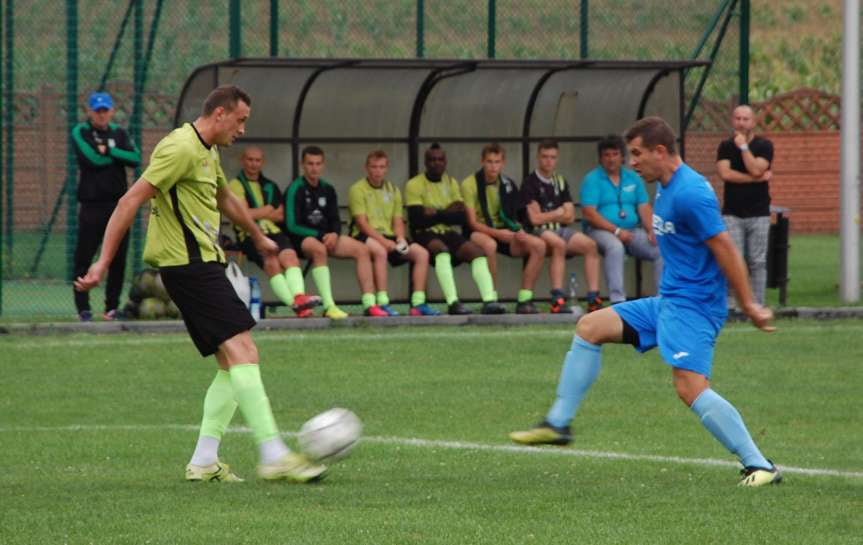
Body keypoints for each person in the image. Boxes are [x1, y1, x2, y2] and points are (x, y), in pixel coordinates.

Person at [510, 117, 781, 487]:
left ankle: (758, 464)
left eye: (636, 154)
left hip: (694, 308)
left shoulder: (691, 193)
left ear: (660, 151)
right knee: (589, 327)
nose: (631, 162)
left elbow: (726, 250)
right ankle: (558, 423)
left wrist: (749, 304)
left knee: (689, 387)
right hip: (668, 302)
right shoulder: (664, 188)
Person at [75, 85, 326, 483]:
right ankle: (273, 453)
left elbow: (225, 197)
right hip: (189, 267)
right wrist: (103, 262)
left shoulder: (207, 150)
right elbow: (129, 200)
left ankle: (205, 460)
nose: (243, 130)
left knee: (231, 361)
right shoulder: (180, 148)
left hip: (203, 263)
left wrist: (258, 236)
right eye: (241, 120)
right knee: (244, 350)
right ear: (220, 113)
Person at [404, 143, 506, 315]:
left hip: (448, 232)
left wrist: (433, 212)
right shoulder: (414, 184)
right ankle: (453, 302)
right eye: (432, 159)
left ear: (446, 162)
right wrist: (446, 211)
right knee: (442, 251)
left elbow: (460, 217)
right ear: (425, 162)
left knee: (478, 253)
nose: (436, 163)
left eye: (440, 159)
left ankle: (489, 300)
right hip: (423, 234)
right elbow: (417, 219)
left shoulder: (451, 183)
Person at [283, 146, 382, 318]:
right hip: (302, 239)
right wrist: (321, 236)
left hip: (328, 237)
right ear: (302, 165)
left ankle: (369, 304)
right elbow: (292, 225)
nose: (314, 168)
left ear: (323, 165)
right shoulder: (295, 188)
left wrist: (335, 234)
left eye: (318, 164)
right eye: (310, 164)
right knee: (319, 249)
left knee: (362, 250)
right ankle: (329, 306)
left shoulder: (328, 189)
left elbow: (335, 219)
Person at [71, 91, 141, 321]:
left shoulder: (119, 133)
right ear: (89, 111)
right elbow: (92, 158)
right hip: (92, 207)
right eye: (97, 110)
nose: (101, 115)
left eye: (105, 110)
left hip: (118, 206)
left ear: (111, 111)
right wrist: (115, 156)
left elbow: (135, 158)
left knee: (117, 259)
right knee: (84, 256)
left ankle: (111, 307)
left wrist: (110, 151)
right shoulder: (81, 132)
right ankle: (83, 309)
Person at [228, 146, 320, 317]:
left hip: (274, 231)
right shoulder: (235, 184)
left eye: (257, 160)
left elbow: (280, 215)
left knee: (290, 257)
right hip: (249, 234)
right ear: (242, 161)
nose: (254, 164)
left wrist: (255, 212)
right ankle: (296, 306)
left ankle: (299, 299)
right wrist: (267, 210)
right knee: (272, 262)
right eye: (250, 160)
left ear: (263, 163)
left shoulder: (270, 185)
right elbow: (242, 215)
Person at [348, 150, 441, 316]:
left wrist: (400, 238)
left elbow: (398, 220)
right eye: (374, 167)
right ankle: (382, 303)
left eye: (381, 167)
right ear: (366, 168)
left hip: (389, 236)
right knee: (380, 251)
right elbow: (362, 224)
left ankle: (418, 304)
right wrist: (384, 242)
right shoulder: (357, 189)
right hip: (364, 235)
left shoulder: (393, 190)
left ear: (386, 169)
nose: (377, 171)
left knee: (421, 253)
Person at [461, 143, 545, 314]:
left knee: (539, 246)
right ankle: (491, 299)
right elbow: (472, 223)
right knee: (490, 245)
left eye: (497, 162)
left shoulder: (507, 183)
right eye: (489, 162)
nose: (493, 166)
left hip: (504, 232)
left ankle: (525, 299)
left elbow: (516, 215)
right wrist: (500, 234)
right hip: (477, 232)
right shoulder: (469, 184)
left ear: (503, 163)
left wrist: (519, 230)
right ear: (482, 162)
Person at [580, 134, 663, 304]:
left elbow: (643, 206)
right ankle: (618, 301)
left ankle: (664, 299)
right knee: (615, 246)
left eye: (615, 154)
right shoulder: (592, 179)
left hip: (631, 230)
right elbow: (589, 213)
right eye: (607, 155)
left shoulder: (633, 177)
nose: (611, 159)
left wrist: (651, 229)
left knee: (661, 248)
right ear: (600, 158)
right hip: (600, 231)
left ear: (622, 157)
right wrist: (616, 231)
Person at [522, 140, 603, 313]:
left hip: (560, 228)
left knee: (590, 246)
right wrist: (558, 213)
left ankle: (593, 298)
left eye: (552, 157)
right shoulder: (530, 182)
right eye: (545, 157)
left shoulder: (560, 181)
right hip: (538, 231)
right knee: (558, 244)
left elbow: (570, 215)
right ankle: (557, 298)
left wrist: (553, 215)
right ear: (538, 157)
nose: (548, 161)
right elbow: (535, 220)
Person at [716, 104, 774, 307]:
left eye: (745, 119)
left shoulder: (764, 146)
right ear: (733, 121)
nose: (741, 123)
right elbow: (725, 174)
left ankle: (757, 304)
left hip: (759, 213)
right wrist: (755, 179)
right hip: (732, 213)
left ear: (753, 122)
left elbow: (757, 168)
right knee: (734, 259)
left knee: (757, 261)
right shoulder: (724, 146)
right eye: (737, 118)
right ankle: (733, 303)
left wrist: (743, 148)